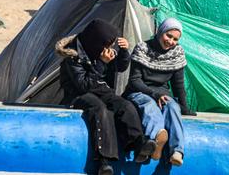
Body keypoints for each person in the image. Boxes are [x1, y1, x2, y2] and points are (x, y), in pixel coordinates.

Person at [56, 19, 156, 175]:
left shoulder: (100, 48)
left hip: (101, 89)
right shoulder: (72, 56)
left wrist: (123, 52)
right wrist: (101, 63)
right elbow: (83, 86)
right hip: (77, 95)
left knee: (124, 104)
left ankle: (138, 143)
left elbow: (121, 68)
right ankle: (103, 161)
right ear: (96, 40)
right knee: (100, 109)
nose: (108, 48)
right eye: (106, 44)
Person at [124, 18, 196, 167]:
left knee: (172, 107)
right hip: (140, 91)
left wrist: (184, 107)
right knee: (149, 105)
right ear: (160, 32)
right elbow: (135, 80)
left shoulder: (177, 53)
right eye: (168, 36)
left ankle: (177, 151)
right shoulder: (142, 48)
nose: (170, 41)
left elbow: (178, 85)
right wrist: (153, 94)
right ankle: (156, 138)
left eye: (175, 39)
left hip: (163, 94)